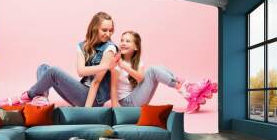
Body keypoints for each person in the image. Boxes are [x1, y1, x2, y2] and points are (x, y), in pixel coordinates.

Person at [0, 12, 118, 107]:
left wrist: (87, 111)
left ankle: (26, 96)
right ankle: (42, 98)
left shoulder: (110, 48)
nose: (108, 34)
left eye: (110, 30)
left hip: (93, 100)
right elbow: (81, 71)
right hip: (80, 93)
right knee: (43, 68)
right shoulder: (83, 46)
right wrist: (106, 66)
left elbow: (96, 82)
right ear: (95, 28)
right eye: (104, 30)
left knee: (53, 71)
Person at [85, 30, 217, 113]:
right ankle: (185, 88)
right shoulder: (116, 64)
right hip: (128, 103)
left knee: (158, 67)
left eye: (127, 41)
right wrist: (115, 110)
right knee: (154, 69)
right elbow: (113, 89)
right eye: (122, 40)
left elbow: (140, 79)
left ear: (136, 47)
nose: (123, 43)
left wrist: (126, 66)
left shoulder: (137, 63)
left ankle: (186, 88)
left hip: (138, 97)